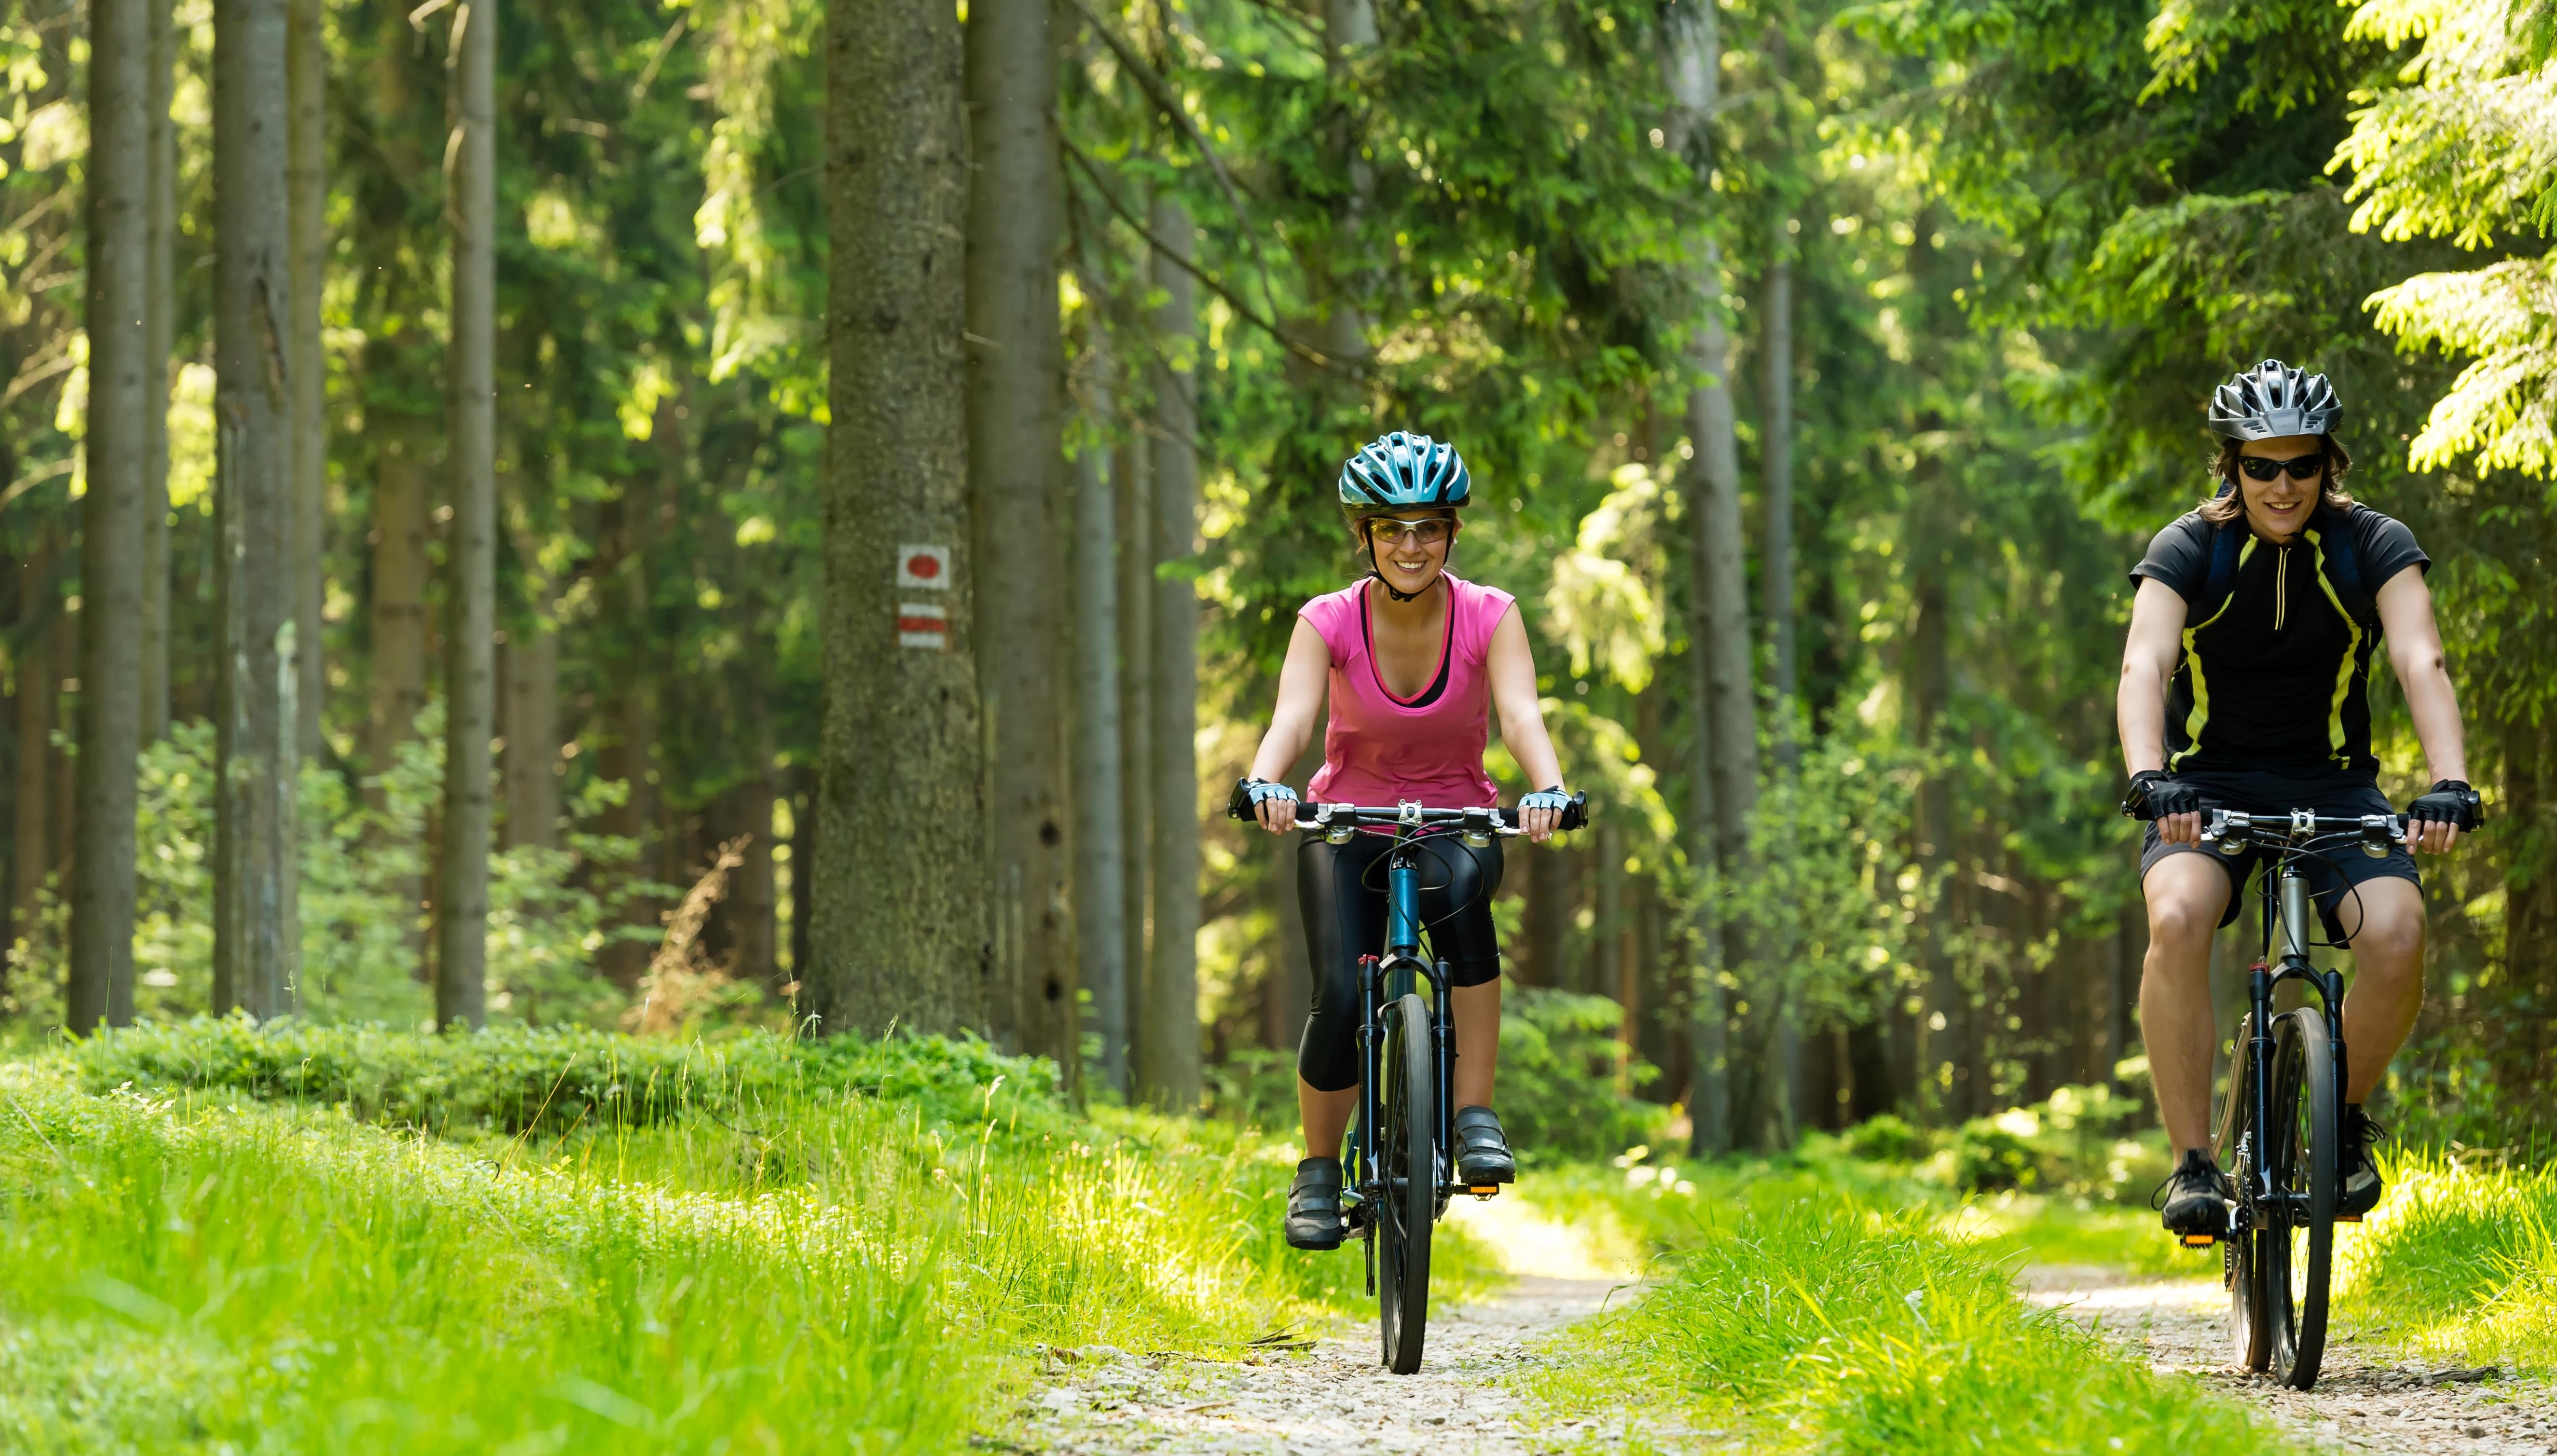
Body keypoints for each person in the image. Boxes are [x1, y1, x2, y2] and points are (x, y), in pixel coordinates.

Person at [2116, 359, 2482, 1237]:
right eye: (2261, 466)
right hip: (2202, 786)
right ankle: (2194, 1164)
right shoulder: (2188, 548)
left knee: (2396, 933)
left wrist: (2449, 780)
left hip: (2336, 785)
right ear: (2231, 465)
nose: (2283, 486)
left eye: (2302, 465)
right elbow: (2144, 663)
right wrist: (2148, 770)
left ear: (2330, 463)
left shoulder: (2373, 543)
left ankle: (2339, 1115)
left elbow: (2418, 657)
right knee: (2176, 918)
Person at [1237, 430, 1573, 1251]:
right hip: (1345, 826)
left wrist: (1550, 787)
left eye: (1428, 526)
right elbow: (1292, 717)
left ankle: (1475, 1111)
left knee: (1463, 911)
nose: (1411, 544)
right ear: (1367, 537)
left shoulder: (1491, 616)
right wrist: (1266, 781)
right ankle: (1318, 1169)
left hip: (1455, 820)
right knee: (1344, 994)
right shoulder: (1327, 620)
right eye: (1392, 528)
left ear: (1452, 531)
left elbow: (1523, 712)